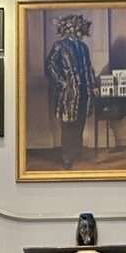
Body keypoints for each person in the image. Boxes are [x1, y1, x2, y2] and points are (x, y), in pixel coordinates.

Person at [46, 14, 98, 169]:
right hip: (69, 94)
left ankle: (76, 152)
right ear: (67, 28)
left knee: (80, 123)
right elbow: (50, 66)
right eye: (72, 27)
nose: (76, 30)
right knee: (68, 125)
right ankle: (67, 157)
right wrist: (62, 83)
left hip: (84, 92)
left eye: (77, 27)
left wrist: (93, 85)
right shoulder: (59, 46)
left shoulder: (83, 47)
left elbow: (89, 68)